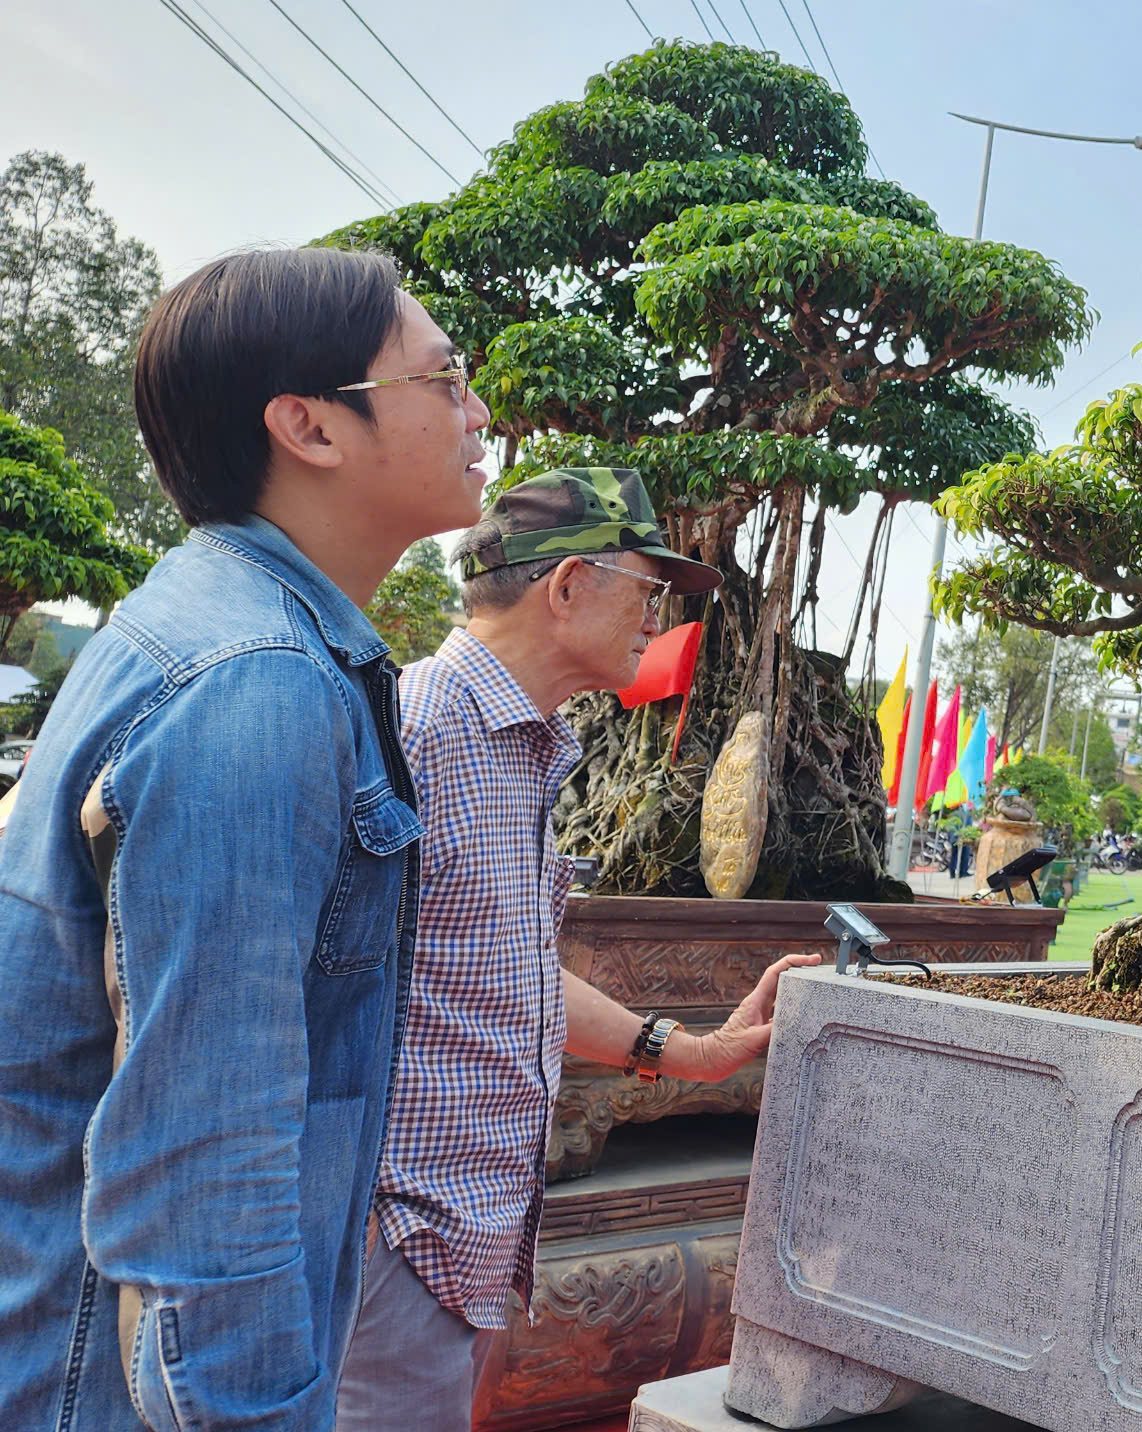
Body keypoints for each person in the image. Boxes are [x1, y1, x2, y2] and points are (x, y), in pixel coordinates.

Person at [0, 248, 491, 1431]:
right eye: (444, 377)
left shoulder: (227, 632)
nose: (478, 411)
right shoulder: (254, 682)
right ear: (309, 426)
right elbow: (203, 1170)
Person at [335, 468, 818, 1431]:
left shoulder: (522, 746)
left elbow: (503, 966)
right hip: (394, 1236)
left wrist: (692, 1051)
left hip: (468, 1241)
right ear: (566, 586)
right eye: (648, 589)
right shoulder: (415, 734)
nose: (658, 620)